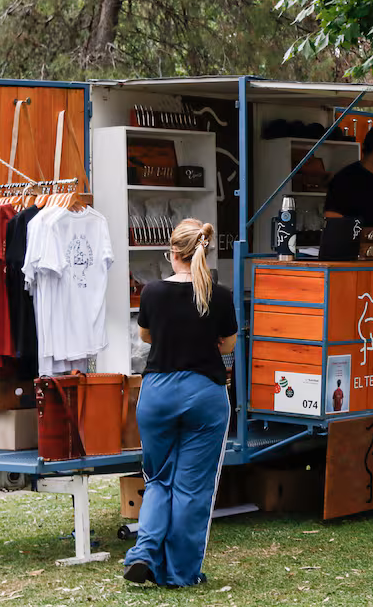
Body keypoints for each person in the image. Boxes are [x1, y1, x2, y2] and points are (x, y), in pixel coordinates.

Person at [124, 219, 238, 588]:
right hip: (204, 391)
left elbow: (146, 335)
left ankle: (144, 551)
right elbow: (229, 344)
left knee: (157, 478)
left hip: (157, 390)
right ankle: (180, 573)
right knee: (192, 488)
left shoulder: (153, 292)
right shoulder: (218, 294)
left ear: (173, 254)